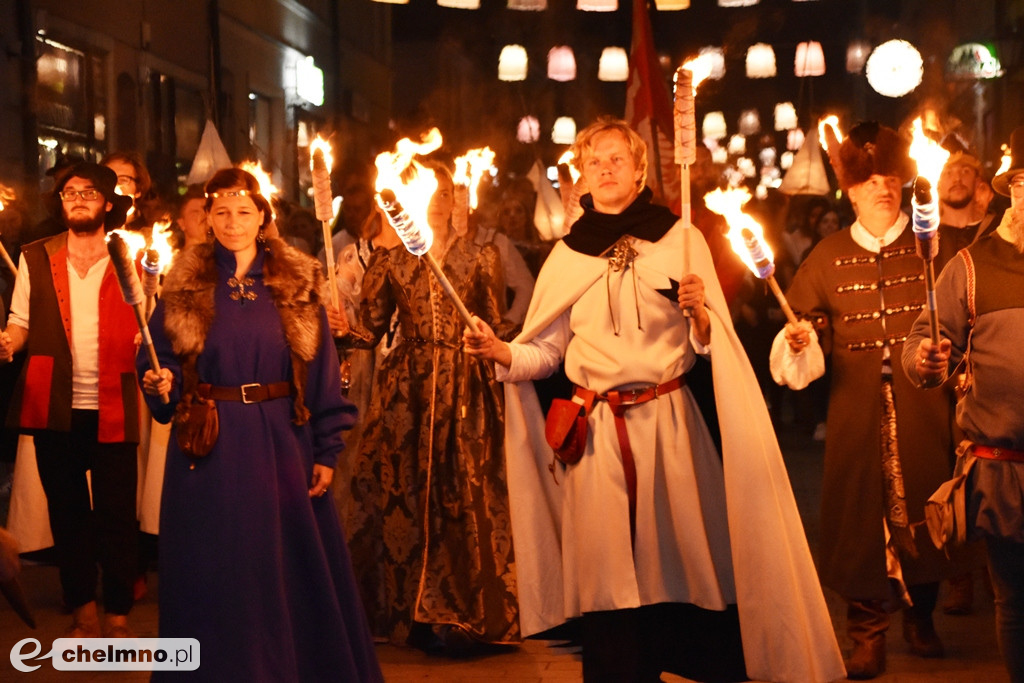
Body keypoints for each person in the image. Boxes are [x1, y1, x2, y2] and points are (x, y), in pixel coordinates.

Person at [464, 117, 844, 683]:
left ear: (640, 170)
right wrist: (501, 351)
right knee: (607, 573)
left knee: (683, 559)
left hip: (669, 425)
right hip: (596, 435)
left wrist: (699, 314)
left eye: (618, 160)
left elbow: (715, 347)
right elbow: (544, 353)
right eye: (595, 163)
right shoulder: (568, 255)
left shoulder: (681, 237)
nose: (607, 170)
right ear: (582, 177)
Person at [137, 167, 382, 681]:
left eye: (243, 211)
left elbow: (321, 372)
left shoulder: (296, 279)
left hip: (280, 444)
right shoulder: (184, 282)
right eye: (220, 212)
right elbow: (159, 362)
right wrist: (158, 383)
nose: (232, 222)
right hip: (210, 451)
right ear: (207, 218)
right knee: (216, 573)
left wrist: (326, 451)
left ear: (263, 216)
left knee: (281, 573)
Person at [771, 121, 965, 679]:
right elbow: (805, 329)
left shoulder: (940, 245)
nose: (881, 187)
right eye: (868, 181)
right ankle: (867, 632)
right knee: (858, 518)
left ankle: (920, 618)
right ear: (850, 191)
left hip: (926, 408)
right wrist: (801, 336)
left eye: (889, 178)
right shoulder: (827, 255)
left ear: (902, 182)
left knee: (929, 507)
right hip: (855, 410)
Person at [341, 162, 520, 654]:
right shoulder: (391, 261)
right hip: (408, 391)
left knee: (460, 490)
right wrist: (338, 327)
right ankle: (404, 613)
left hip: (465, 384)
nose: (437, 199)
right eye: (430, 191)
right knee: (404, 489)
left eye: (445, 191)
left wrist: (498, 340)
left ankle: (459, 611)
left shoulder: (481, 256)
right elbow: (370, 330)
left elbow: (496, 322)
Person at [903, 124, 1024, 683]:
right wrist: (925, 362)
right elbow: (922, 344)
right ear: (1013, 189)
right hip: (1006, 471)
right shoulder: (972, 266)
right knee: (1017, 603)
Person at [0, 162, 138, 637]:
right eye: (69, 192)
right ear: (60, 203)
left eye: (89, 192)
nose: (78, 198)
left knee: (118, 515)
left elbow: (152, 324)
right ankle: (83, 611)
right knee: (69, 514)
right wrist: (8, 342)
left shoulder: (133, 257)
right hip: (53, 404)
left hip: (115, 403)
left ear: (107, 202)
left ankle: (118, 613)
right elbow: (20, 321)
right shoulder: (35, 257)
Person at [935, 136, 999, 270]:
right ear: (937, 183)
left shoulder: (997, 231)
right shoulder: (923, 235)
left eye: (965, 171)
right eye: (948, 173)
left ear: (977, 181)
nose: (957, 178)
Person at [101, 151, 153, 232]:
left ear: (138, 190)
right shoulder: (89, 228)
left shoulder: (155, 234)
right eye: (108, 179)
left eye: (123, 180)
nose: (115, 185)